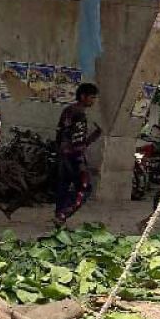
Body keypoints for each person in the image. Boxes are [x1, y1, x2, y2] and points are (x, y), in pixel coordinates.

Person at [54, 83, 103, 225]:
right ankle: (63, 214)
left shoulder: (68, 110)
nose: (93, 101)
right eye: (92, 97)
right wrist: (81, 162)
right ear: (83, 96)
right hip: (74, 157)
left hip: (62, 155)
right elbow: (78, 142)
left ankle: (59, 216)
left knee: (63, 186)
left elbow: (60, 135)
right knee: (85, 188)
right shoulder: (79, 114)